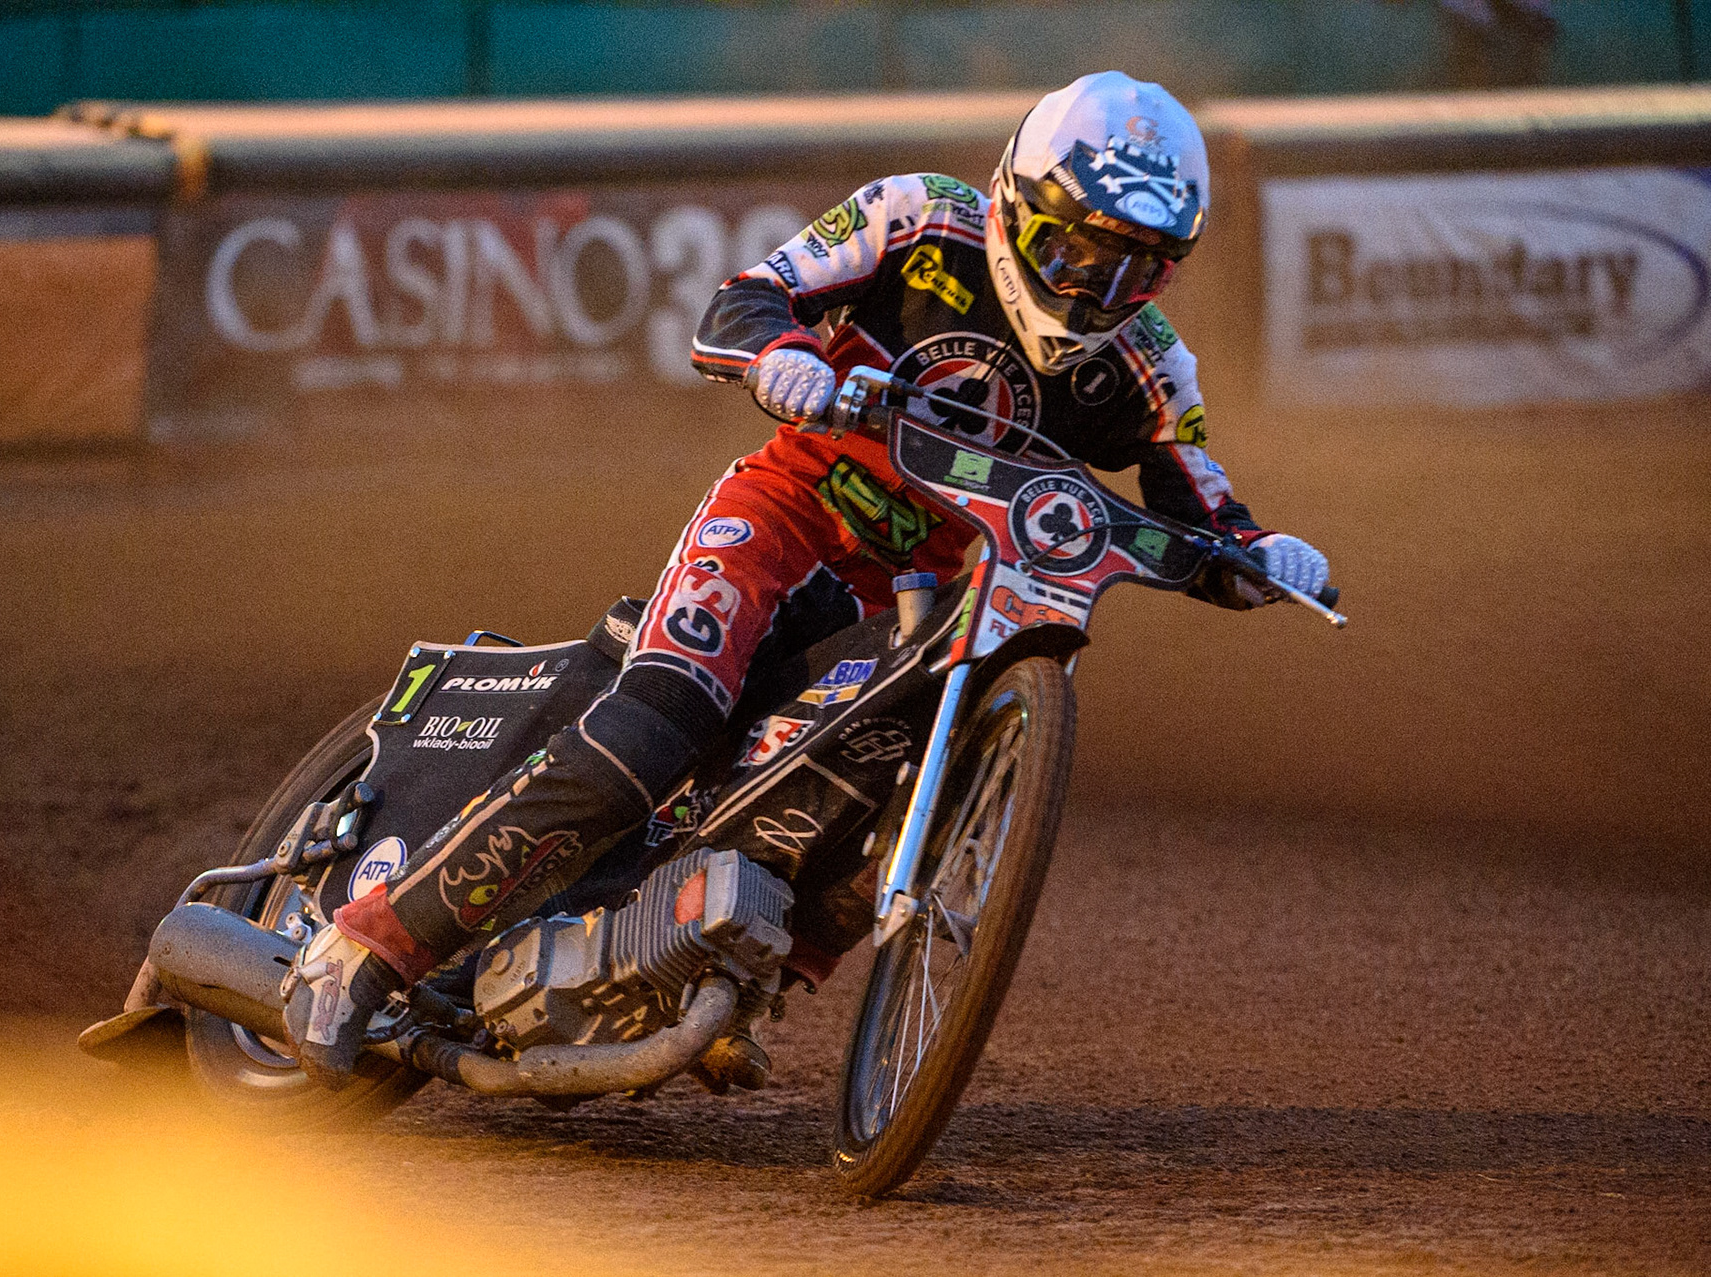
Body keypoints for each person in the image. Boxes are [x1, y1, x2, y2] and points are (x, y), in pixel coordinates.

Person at [283, 71, 1332, 1087]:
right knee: (653, 731)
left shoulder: (1149, 364)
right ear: (1018, 202)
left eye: (1131, 271)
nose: (1091, 288)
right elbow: (744, 299)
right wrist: (784, 357)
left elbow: (1203, 502)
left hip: (913, 596)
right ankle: (364, 951)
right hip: (781, 518)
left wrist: (1265, 556)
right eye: (1070, 249)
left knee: (885, 799)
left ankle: (732, 976)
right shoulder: (921, 217)